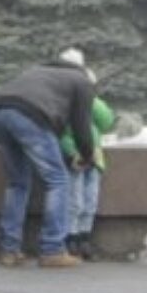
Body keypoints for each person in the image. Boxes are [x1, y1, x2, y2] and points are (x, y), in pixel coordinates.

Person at [0, 55, 96, 268]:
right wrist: (87, 155)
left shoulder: (40, 71)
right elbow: (81, 126)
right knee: (58, 180)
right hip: (29, 115)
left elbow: (50, 136)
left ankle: (9, 249)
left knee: (17, 183)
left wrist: (68, 155)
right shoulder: (82, 82)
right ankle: (52, 249)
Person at [56, 49, 115, 260]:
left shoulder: (91, 102)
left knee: (90, 200)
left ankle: (84, 237)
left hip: (94, 156)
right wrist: (71, 152)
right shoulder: (62, 101)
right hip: (76, 156)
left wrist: (92, 100)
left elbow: (106, 121)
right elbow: (62, 133)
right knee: (75, 200)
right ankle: (71, 237)